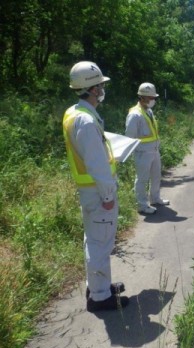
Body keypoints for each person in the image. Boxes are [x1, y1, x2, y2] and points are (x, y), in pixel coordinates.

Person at [62, 61, 128, 312]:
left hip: (89, 191)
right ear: (90, 89)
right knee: (101, 243)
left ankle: (98, 286)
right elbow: (97, 164)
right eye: (100, 84)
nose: (102, 88)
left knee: (94, 240)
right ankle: (101, 297)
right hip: (98, 193)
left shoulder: (74, 113)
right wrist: (108, 195)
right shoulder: (86, 121)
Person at [125, 82, 169, 215]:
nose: (153, 100)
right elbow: (129, 136)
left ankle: (155, 199)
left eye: (154, 98)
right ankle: (142, 205)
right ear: (142, 97)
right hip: (142, 152)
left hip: (154, 150)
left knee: (156, 176)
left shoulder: (149, 111)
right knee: (142, 179)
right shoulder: (135, 114)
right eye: (151, 98)